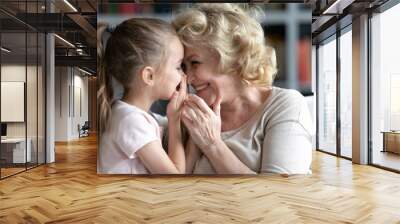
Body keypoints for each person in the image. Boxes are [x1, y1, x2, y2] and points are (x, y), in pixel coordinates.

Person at [173, 4, 313, 174]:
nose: (187, 78)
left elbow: (279, 194)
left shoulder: (285, 105)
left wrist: (212, 145)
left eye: (194, 63)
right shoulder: (194, 114)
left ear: (233, 58)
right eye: (183, 66)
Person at [98, 18, 188, 174]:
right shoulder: (133, 121)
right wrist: (175, 121)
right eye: (178, 67)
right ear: (149, 76)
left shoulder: (126, 114)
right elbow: (175, 177)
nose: (183, 75)